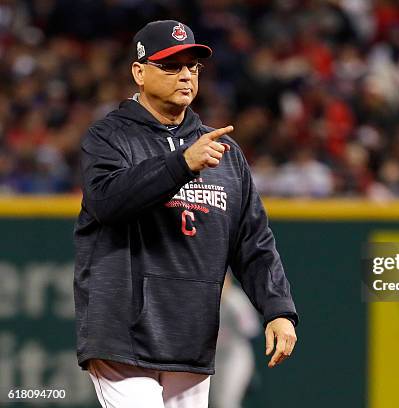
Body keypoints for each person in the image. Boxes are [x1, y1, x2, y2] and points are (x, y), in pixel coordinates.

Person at [73, 20, 299, 408]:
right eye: (171, 66)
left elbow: (253, 240)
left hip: (192, 334)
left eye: (192, 67)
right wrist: (182, 164)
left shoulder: (222, 151)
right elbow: (107, 201)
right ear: (139, 72)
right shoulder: (109, 137)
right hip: (123, 334)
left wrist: (278, 309)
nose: (185, 76)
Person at [210, 274, 260, 408]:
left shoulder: (236, 300)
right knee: (215, 403)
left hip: (235, 358)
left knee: (226, 403)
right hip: (214, 360)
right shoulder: (204, 300)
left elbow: (252, 331)